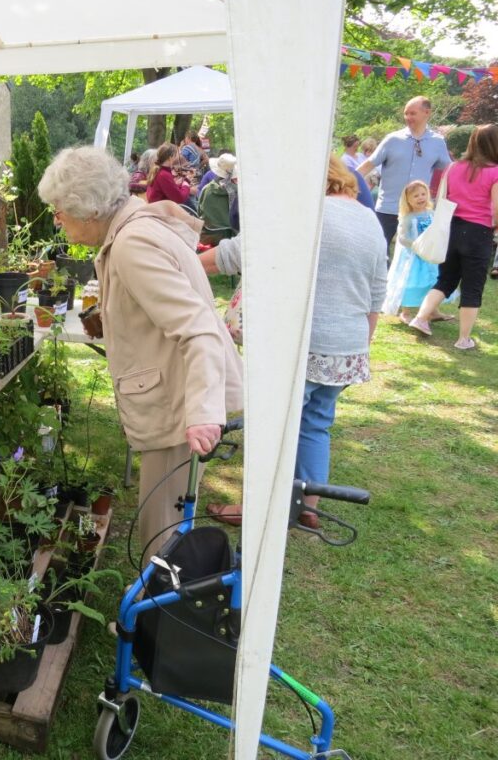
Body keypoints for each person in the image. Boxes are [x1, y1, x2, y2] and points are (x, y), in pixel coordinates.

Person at [38, 146, 242, 556]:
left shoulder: (133, 244)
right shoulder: (136, 225)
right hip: (176, 395)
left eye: (59, 209)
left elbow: (199, 329)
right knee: (170, 514)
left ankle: (158, 611)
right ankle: (164, 603)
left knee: (161, 527)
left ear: (88, 207)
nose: (56, 219)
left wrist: (202, 413)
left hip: (178, 406)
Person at [199, 156, 386, 527]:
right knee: (315, 424)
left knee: (273, 429)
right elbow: (377, 292)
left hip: (301, 343)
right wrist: (359, 345)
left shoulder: (303, 212)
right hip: (347, 346)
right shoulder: (368, 217)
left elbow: (235, 255)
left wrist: (182, 262)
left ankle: (254, 510)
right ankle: (309, 507)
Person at [408, 123, 498, 350]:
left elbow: (444, 198)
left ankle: (421, 317)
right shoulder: (495, 172)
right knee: (472, 286)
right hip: (479, 233)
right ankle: (463, 339)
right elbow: (496, 210)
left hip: (452, 229)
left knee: (446, 279)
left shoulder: (454, 167)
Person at [357, 96, 451, 254]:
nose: (408, 117)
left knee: (414, 257)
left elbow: (450, 171)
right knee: (376, 252)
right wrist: (345, 181)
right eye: (406, 114)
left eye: (412, 113)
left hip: (417, 212)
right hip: (387, 208)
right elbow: (367, 165)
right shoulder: (392, 139)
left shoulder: (438, 142)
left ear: (426, 113)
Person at [383, 180, 456, 324]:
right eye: (416, 196)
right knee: (411, 282)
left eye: (423, 194)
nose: (421, 198)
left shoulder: (431, 213)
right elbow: (402, 238)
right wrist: (415, 245)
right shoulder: (408, 218)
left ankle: (432, 311)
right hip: (413, 257)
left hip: (429, 255)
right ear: (408, 200)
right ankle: (405, 312)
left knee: (432, 280)